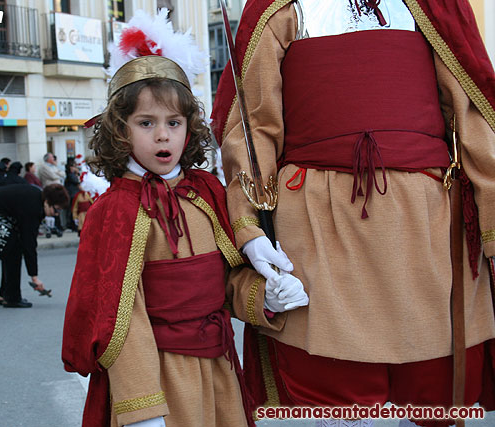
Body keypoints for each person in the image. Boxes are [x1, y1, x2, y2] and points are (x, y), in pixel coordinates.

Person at [212, 1, 495, 426]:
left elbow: (473, 121)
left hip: (428, 232)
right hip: (317, 231)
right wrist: (249, 226)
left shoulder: (436, 8)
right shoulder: (279, 10)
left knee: (434, 398)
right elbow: (252, 129)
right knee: (331, 404)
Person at [62, 9, 257, 427]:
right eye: (146, 123)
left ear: (190, 129)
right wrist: (142, 408)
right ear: (120, 130)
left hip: (220, 370)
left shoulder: (206, 192)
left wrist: (262, 297)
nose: (163, 135)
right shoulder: (112, 212)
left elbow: (227, 281)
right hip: (159, 378)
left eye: (174, 122)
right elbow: (120, 318)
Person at [0, 183, 68, 308]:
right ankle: (12, 297)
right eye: (56, 210)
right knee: (13, 251)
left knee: (10, 249)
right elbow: (29, 243)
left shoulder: (35, 199)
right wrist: (34, 277)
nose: (56, 214)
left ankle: (5, 294)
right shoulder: (33, 206)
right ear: (47, 202)